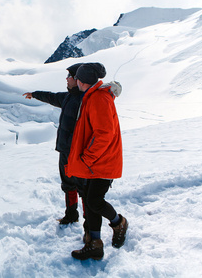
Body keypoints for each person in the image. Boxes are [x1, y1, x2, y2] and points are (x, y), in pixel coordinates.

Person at [65, 62, 128, 261]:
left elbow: (104, 134)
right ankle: (94, 243)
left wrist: (88, 157)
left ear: (82, 82)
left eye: (78, 79)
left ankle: (119, 222)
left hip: (102, 161)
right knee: (90, 201)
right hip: (95, 162)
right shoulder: (92, 96)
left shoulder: (99, 98)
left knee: (94, 201)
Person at [23, 63, 86, 225]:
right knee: (68, 184)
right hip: (65, 150)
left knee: (83, 186)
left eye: (69, 76)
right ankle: (71, 214)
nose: (66, 79)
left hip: (78, 152)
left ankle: (89, 220)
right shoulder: (68, 97)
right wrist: (34, 94)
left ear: (78, 79)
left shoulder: (84, 100)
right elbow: (51, 97)